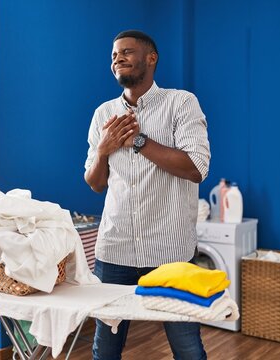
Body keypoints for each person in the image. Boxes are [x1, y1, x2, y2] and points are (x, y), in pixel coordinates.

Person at [84, 29, 211, 360]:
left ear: (151, 58)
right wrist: (103, 150)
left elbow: (196, 167)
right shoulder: (103, 115)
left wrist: (138, 141)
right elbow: (96, 183)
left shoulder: (181, 103)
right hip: (114, 250)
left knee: (187, 348)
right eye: (114, 55)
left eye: (126, 52)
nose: (118, 59)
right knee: (106, 347)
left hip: (169, 250)